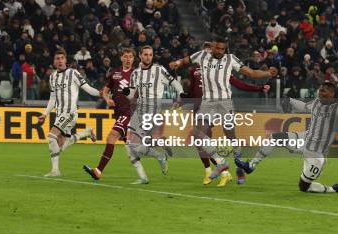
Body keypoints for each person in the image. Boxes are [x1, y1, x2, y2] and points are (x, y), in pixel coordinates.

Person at [169, 37, 277, 186]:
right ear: (212, 48)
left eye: (223, 49)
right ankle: (221, 163)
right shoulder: (202, 55)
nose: (220, 51)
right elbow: (185, 60)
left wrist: (267, 74)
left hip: (225, 103)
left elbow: (251, 73)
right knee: (197, 133)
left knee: (230, 134)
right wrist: (177, 63)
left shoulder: (230, 59)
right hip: (207, 103)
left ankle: (239, 166)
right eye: (217, 48)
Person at [235, 82, 338, 193]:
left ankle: (332, 189)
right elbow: (304, 106)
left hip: (316, 154)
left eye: (324, 91)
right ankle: (251, 166)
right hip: (303, 140)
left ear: (332, 94)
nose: (320, 93)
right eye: (320, 90)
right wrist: (289, 100)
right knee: (274, 137)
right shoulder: (316, 102)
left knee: (303, 187)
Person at [186, 57, 270, 186]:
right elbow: (192, 91)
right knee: (200, 138)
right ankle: (217, 166)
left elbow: (238, 83)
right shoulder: (195, 71)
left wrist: (258, 88)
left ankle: (239, 169)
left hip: (224, 105)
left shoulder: (222, 69)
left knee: (231, 136)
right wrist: (183, 100)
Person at [123, 45, 183, 184]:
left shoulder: (159, 69)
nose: (148, 57)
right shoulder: (135, 73)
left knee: (135, 145)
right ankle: (157, 157)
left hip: (153, 110)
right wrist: (125, 92)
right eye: (145, 54)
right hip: (139, 110)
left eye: (150, 55)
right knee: (130, 144)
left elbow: (174, 83)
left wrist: (181, 95)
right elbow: (131, 94)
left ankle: (159, 154)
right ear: (140, 55)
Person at [38, 50, 100, 177]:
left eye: (62, 58)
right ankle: (86, 132)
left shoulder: (73, 73)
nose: (60, 60)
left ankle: (55, 171)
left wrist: (101, 93)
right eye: (57, 58)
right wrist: (45, 114)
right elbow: (53, 98)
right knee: (59, 146)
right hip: (59, 114)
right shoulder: (53, 77)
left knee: (51, 137)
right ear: (54, 62)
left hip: (70, 113)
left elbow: (87, 88)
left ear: (66, 60)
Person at [83, 47, 136, 180]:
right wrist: (108, 99)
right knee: (133, 147)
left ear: (133, 59)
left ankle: (98, 170)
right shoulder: (114, 73)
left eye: (130, 56)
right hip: (118, 113)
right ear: (121, 58)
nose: (128, 59)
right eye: (126, 56)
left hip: (129, 113)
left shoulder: (137, 74)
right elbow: (105, 91)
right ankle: (160, 155)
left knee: (111, 137)